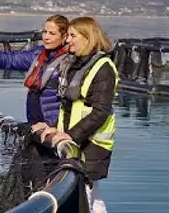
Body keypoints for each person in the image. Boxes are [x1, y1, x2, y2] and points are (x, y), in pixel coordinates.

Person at [33, 16, 118, 213]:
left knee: (86, 193)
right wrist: (54, 128)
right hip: (75, 142)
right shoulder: (74, 64)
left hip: (92, 145)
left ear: (87, 38)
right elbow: (69, 107)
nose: (68, 40)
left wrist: (71, 136)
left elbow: (100, 111)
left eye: (73, 36)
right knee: (92, 196)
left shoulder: (103, 68)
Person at [0, 14, 70, 127]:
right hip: (35, 124)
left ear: (64, 36)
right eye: (45, 32)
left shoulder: (69, 61)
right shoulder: (38, 55)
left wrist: (53, 125)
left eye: (52, 33)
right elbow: (10, 59)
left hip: (54, 127)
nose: (46, 37)